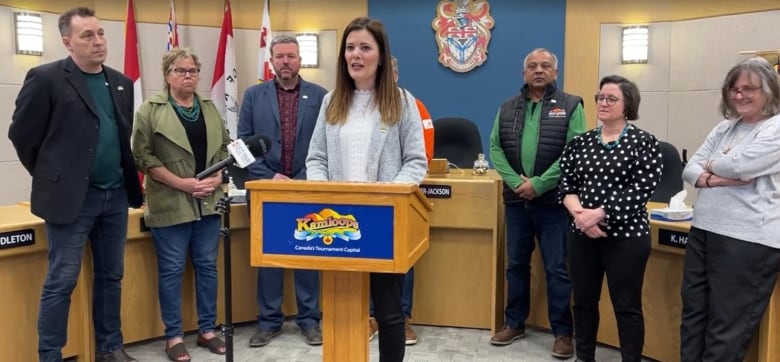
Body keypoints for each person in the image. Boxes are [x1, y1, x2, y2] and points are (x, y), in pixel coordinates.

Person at [7, 7, 143, 362]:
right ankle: (49, 354)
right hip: (71, 201)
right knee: (61, 281)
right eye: (87, 35)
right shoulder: (46, 78)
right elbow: (23, 136)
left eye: (100, 33)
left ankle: (110, 348)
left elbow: (120, 134)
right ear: (68, 42)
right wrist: (54, 176)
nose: (98, 41)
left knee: (111, 276)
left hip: (114, 196)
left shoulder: (121, 82)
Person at [306, 16, 427, 362]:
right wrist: (324, 191)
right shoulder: (331, 101)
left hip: (383, 220)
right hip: (337, 222)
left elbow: (416, 162)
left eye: (364, 48)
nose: (355, 55)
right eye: (349, 47)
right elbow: (316, 158)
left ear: (381, 55)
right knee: (342, 308)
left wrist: (387, 196)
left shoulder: (401, 101)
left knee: (389, 312)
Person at [131, 47, 230, 361]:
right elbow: (142, 156)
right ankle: (173, 336)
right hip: (171, 201)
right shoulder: (150, 109)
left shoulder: (211, 109)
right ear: (166, 75)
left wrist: (217, 181)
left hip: (208, 204)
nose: (188, 76)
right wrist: (181, 183)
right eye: (180, 71)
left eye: (192, 71)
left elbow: (227, 150)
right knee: (172, 271)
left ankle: (207, 330)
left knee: (207, 268)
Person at [680, 57, 780, 361]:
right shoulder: (726, 127)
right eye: (734, 89)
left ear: (769, 90)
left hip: (749, 239)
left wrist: (709, 168)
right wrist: (717, 178)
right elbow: (689, 169)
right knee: (693, 314)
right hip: (705, 229)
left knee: (727, 326)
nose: (739, 95)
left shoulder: (775, 128)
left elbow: (741, 164)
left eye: (749, 88)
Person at [488, 48, 584, 358]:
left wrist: (540, 184)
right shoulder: (507, 107)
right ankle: (514, 322)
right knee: (515, 265)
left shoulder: (571, 105)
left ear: (555, 72)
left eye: (545, 66)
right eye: (532, 66)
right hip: (517, 203)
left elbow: (574, 152)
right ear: (524, 73)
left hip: (554, 203)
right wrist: (518, 184)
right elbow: (495, 149)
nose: (538, 70)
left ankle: (562, 333)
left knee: (556, 268)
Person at [559, 75, 662, 362]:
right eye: (600, 97)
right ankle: (585, 357)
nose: (603, 103)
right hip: (582, 236)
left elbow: (641, 189)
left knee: (626, 307)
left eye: (611, 98)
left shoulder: (644, 143)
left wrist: (598, 214)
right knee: (583, 303)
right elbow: (566, 184)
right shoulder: (581, 143)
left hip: (627, 238)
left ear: (628, 104)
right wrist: (581, 217)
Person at [238, 34, 327, 347]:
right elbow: (242, 147)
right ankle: (269, 321)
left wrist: (303, 178)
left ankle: (309, 320)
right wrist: (269, 176)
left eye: (291, 56)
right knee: (269, 256)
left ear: (300, 59)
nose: (286, 61)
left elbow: (325, 143)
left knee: (308, 254)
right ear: (272, 60)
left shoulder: (320, 96)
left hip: (307, 188)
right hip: (266, 189)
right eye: (280, 56)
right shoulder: (252, 96)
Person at [367, 55, 434, 346]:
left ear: (394, 76)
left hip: (399, 200)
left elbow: (424, 153)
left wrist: (396, 189)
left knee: (401, 263)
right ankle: (369, 317)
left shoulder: (412, 106)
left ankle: (402, 318)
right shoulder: (357, 105)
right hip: (360, 202)